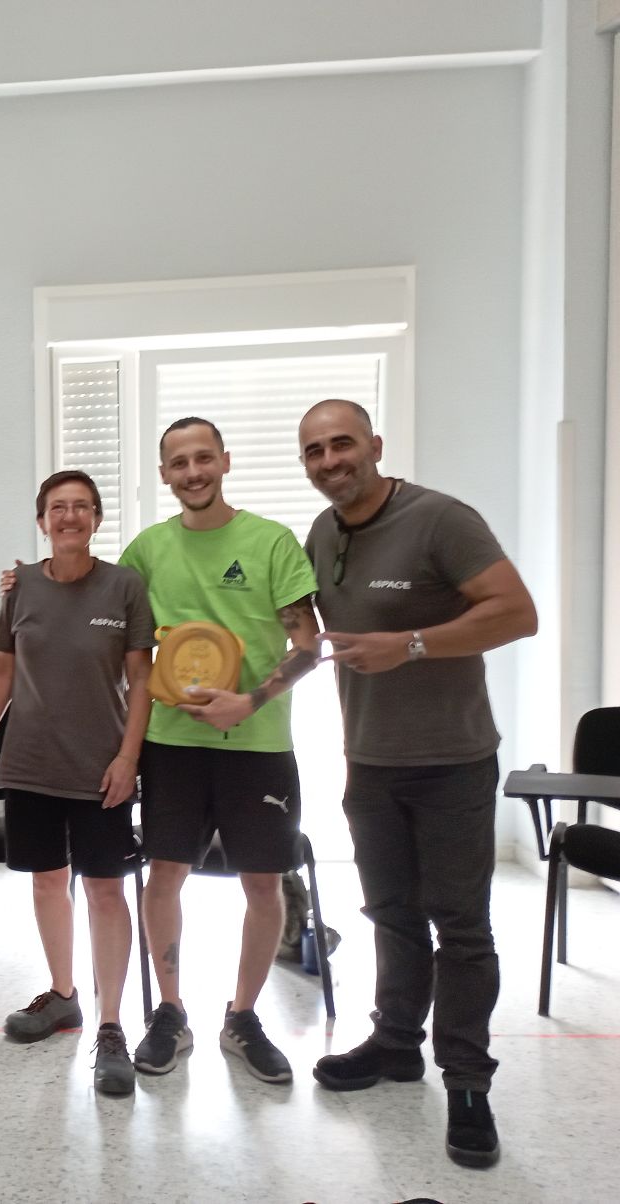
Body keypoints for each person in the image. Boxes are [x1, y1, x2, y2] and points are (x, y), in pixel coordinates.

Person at [298, 398, 536, 1168]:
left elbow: (517, 613)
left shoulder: (441, 520)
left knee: (460, 928)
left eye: (341, 444)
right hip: (370, 763)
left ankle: (466, 1081)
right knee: (392, 914)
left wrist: (412, 644)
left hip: (452, 761)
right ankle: (397, 1042)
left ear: (374, 444)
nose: (330, 461)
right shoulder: (323, 533)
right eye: (314, 451)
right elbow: (307, 638)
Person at [117, 418, 322, 1085]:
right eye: (179, 463)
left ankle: (243, 1017)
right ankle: (170, 1012)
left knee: (262, 882)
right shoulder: (147, 551)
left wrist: (250, 701)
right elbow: (118, 634)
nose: (193, 472)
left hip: (257, 744)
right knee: (165, 874)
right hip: (171, 745)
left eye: (203, 458)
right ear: (164, 475)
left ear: (225, 462)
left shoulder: (271, 542)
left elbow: (308, 645)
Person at [0, 471, 153, 1095]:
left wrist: (128, 758)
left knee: (104, 891)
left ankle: (111, 1025)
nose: (69, 516)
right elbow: (2, 670)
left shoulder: (125, 586)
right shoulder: (20, 587)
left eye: (81, 507)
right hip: (32, 764)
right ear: (42, 520)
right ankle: (64, 995)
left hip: (100, 768)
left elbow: (142, 681)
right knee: (47, 881)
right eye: (57, 507)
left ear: (97, 517)